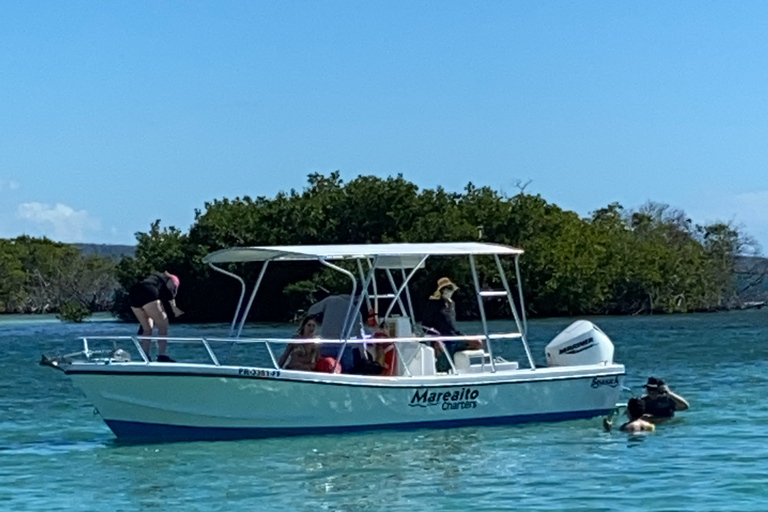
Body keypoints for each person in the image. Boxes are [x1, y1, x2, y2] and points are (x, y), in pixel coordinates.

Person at [422, 277, 481, 372]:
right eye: (445, 289)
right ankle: (443, 368)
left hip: (454, 336)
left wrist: (462, 336)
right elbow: (425, 326)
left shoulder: (451, 304)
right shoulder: (433, 304)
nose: (448, 291)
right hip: (442, 339)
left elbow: (452, 324)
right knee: (443, 366)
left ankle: (462, 367)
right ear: (440, 291)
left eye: (450, 288)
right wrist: (435, 339)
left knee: (477, 342)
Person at [129, 271, 183, 362]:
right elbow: (171, 295)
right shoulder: (171, 280)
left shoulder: (154, 278)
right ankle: (162, 355)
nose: (173, 288)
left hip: (133, 295)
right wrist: (175, 309)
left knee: (147, 329)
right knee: (163, 325)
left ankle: (145, 356)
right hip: (148, 292)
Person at [306, 294, 365, 371]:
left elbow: (311, 310)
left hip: (327, 344)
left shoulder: (330, 300)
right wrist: (363, 354)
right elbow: (359, 334)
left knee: (326, 368)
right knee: (347, 370)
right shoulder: (355, 311)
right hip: (345, 347)